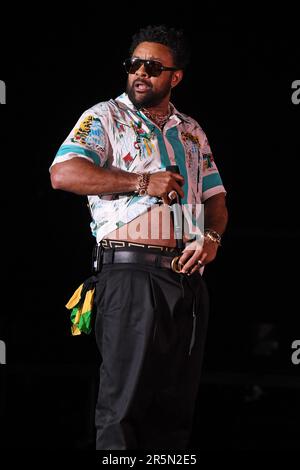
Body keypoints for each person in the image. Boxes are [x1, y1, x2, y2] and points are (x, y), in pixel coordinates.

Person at [50, 24, 228, 450]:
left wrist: (210, 238)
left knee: (173, 414)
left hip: (187, 279)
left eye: (153, 66)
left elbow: (216, 201)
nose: (140, 73)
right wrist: (140, 181)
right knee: (123, 410)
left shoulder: (191, 130)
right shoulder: (104, 117)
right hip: (130, 275)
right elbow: (63, 174)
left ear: (175, 76)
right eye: (134, 64)